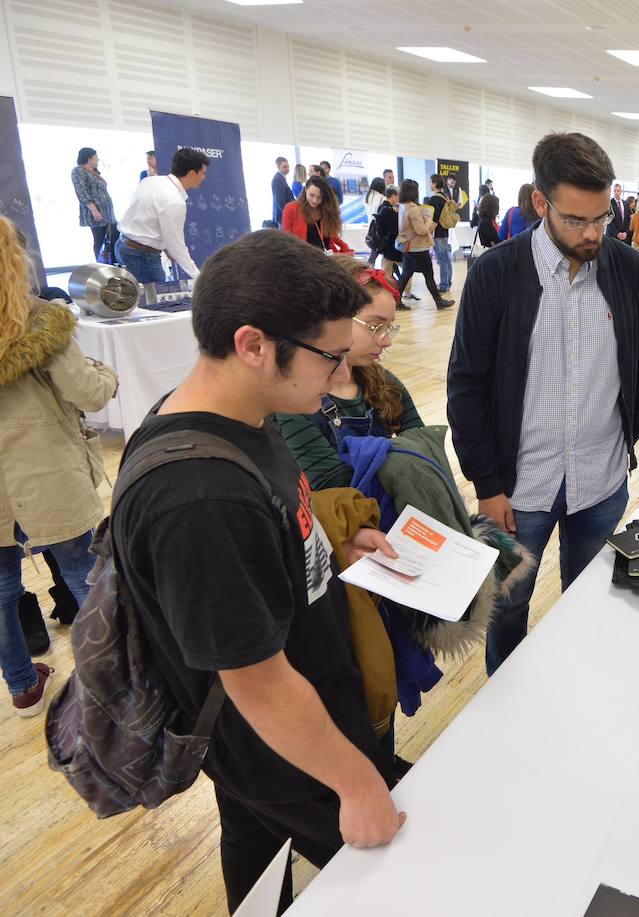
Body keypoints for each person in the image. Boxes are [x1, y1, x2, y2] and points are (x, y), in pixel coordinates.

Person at [112, 230, 404, 912]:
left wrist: (331, 546)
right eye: (329, 356)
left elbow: (270, 536)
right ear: (252, 344)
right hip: (284, 749)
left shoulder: (244, 409)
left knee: (252, 848)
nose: (339, 373)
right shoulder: (199, 496)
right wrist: (359, 785)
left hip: (275, 734)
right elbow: (261, 685)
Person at [447, 131, 639, 676]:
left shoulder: (627, 269)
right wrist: (487, 485)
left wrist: (630, 435)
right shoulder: (496, 273)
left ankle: (577, 702)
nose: (592, 234)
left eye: (602, 218)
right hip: (520, 491)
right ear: (540, 204)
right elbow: (465, 386)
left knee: (589, 606)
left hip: (602, 482)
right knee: (507, 613)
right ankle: (510, 713)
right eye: (576, 220)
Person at [0, 216, 118, 717]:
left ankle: (22, 686)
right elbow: (89, 391)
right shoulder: (39, 321)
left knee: (2, 590)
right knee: (86, 578)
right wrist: (104, 372)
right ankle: (112, 687)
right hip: (47, 474)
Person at [277, 257, 420, 490]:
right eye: (375, 326)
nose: (386, 341)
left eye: (389, 328)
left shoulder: (384, 382)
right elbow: (334, 487)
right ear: (331, 320)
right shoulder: (294, 403)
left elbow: (424, 449)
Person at [116, 147, 210, 282]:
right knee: (154, 301)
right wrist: (199, 278)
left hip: (123, 246)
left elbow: (148, 220)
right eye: (203, 173)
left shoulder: (149, 181)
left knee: (135, 296)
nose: (204, 178)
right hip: (141, 256)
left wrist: (167, 248)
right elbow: (176, 246)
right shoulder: (174, 201)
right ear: (191, 173)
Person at [395, 179, 453, 310]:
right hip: (418, 247)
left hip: (407, 246)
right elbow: (421, 230)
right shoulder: (413, 209)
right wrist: (429, 221)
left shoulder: (402, 207)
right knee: (428, 275)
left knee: (406, 274)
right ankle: (439, 302)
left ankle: (396, 300)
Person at [282, 177, 353, 255]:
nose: (315, 200)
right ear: (305, 190)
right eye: (311, 195)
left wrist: (346, 249)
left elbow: (332, 235)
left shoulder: (327, 209)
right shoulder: (291, 208)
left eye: (319, 197)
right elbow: (286, 239)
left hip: (328, 257)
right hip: (302, 258)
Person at [71, 148, 119, 264]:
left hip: (107, 212)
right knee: (100, 239)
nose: (98, 159)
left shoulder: (93, 171)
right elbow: (82, 192)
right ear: (89, 158)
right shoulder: (78, 171)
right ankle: (103, 265)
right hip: (97, 212)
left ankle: (115, 264)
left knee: (114, 237)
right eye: (95, 157)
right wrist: (94, 210)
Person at [426, 174, 454, 294]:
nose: (429, 184)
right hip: (445, 231)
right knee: (446, 258)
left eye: (430, 182)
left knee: (441, 259)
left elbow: (435, 219)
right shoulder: (445, 197)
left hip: (438, 232)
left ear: (434, 183)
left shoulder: (434, 199)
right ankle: (447, 282)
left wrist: (429, 231)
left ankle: (443, 284)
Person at [373, 186, 404, 288]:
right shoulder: (388, 211)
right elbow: (393, 229)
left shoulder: (382, 208)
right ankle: (402, 292)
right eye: (398, 196)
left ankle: (391, 291)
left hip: (386, 246)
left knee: (386, 273)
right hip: (392, 247)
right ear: (393, 196)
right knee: (406, 270)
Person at [272, 158, 296, 226]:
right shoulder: (278, 180)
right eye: (284, 167)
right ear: (278, 167)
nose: (287, 168)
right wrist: (288, 213)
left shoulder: (281, 178)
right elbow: (279, 200)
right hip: (282, 216)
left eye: (288, 166)